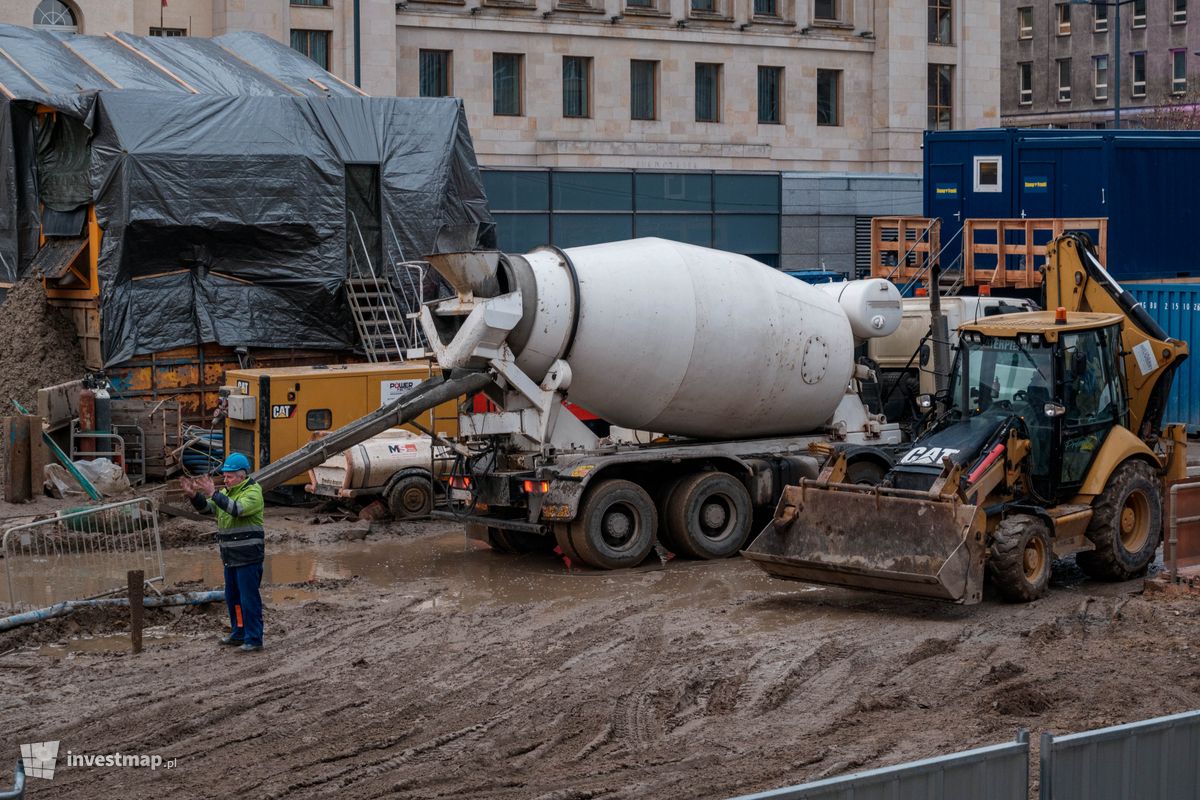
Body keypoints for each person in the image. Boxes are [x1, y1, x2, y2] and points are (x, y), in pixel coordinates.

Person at [181, 453, 266, 653]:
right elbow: (208, 509)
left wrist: (213, 493)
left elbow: (237, 510)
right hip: (230, 558)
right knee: (233, 598)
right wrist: (194, 496)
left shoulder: (253, 492)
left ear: (242, 475)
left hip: (248, 557)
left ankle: (254, 639)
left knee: (249, 599)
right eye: (224, 476)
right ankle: (239, 632)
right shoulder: (227, 493)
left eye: (229, 477)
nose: (225, 480)